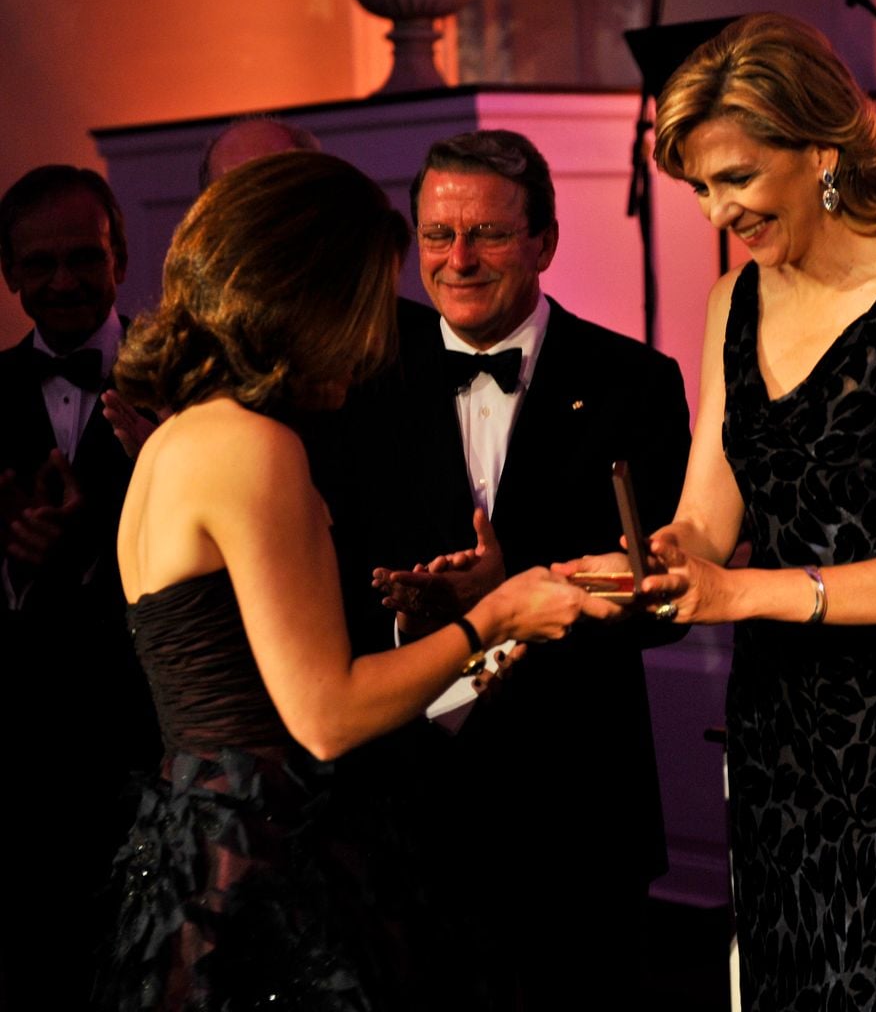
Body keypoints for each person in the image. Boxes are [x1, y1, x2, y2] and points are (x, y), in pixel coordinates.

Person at [95, 150, 614, 1011]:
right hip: (268, 871)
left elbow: (260, 685)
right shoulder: (252, 448)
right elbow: (327, 718)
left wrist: (454, 640)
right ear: (308, 297)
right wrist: (498, 616)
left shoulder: (180, 438)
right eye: (369, 301)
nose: (378, 336)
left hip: (198, 850)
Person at [566, 13, 876, 1010]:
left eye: (737, 178)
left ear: (818, 151)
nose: (719, 212)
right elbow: (706, 522)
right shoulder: (734, 301)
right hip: (780, 734)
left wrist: (742, 589)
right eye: (701, 188)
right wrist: (658, 559)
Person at [313, 128, 692, 1010]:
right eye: (440, 236)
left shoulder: (636, 380)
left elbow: (669, 602)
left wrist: (517, 584)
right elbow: (322, 581)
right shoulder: (355, 383)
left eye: (485, 234)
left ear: (543, 242)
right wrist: (412, 611)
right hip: (405, 807)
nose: (458, 259)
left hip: (577, 803)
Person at [0, 165, 160, 1008]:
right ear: (10, 273)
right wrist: (16, 568)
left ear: (120, 256)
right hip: (20, 767)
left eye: (82, 257)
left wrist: (89, 551)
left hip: (146, 740)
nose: (62, 280)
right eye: (39, 263)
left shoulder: (174, 385)